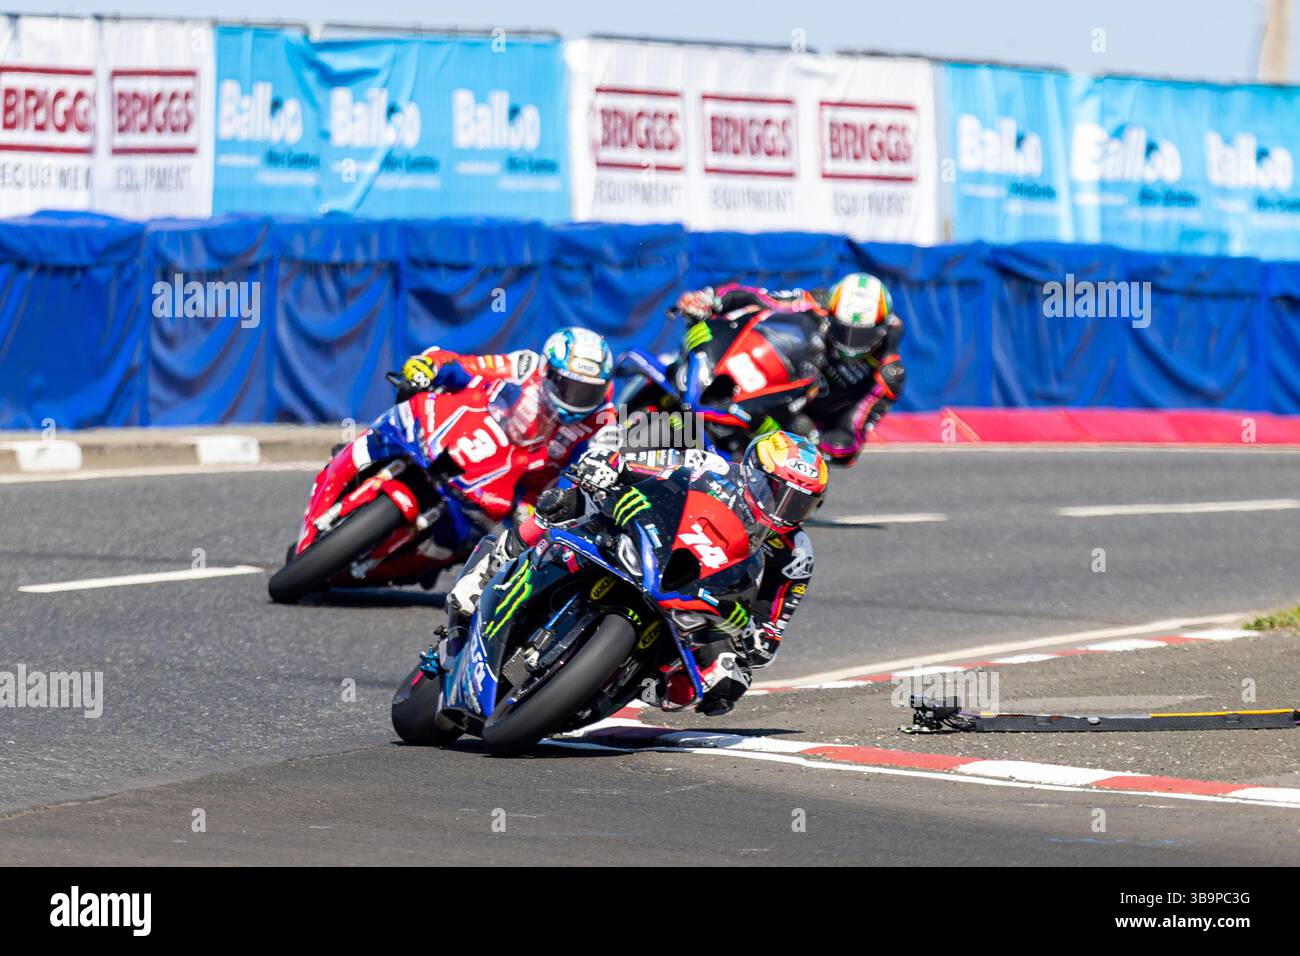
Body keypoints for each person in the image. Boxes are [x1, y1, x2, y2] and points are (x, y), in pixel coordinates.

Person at [441, 430, 827, 716]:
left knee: (709, 686)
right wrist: (607, 466)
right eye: (777, 492)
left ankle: (605, 687)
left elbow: (769, 632)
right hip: (637, 540)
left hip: (693, 601)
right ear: (754, 473)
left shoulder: (794, 554)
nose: (783, 510)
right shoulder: (710, 467)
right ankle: (494, 566)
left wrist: (742, 642)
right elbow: (632, 461)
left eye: (800, 504)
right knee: (561, 504)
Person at [676, 273, 905, 465]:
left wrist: (816, 440)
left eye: (862, 333)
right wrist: (709, 299)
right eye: (843, 328)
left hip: (799, 427)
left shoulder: (888, 374)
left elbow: (851, 436)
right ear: (832, 314)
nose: (851, 342)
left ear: (882, 328)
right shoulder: (816, 302)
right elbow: (760, 297)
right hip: (770, 384)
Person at [396, 326, 618, 494]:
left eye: (587, 392)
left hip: (517, 494)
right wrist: (430, 366)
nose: (574, 399)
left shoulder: (603, 421)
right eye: (567, 387)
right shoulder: (525, 366)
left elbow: (586, 475)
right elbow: (467, 366)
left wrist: (546, 501)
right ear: (547, 370)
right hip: (469, 442)